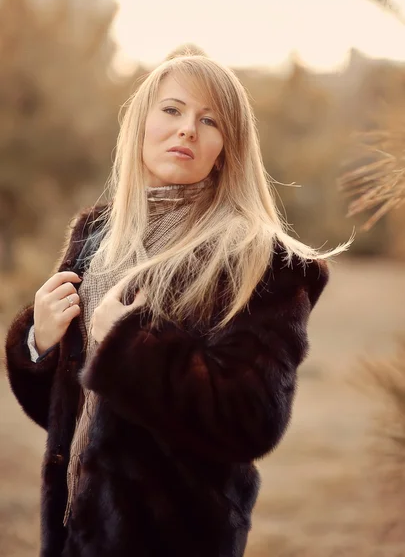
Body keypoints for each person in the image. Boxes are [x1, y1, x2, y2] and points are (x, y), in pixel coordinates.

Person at [5, 53, 347, 557]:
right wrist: (39, 342)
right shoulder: (99, 236)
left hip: (177, 537)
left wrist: (130, 347)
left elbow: (251, 418)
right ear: (140, 122)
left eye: (209, 120)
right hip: (72, 536)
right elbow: (78, 419)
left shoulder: (260, 259)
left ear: (226, 147)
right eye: (172, 110)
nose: (188, 129)